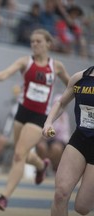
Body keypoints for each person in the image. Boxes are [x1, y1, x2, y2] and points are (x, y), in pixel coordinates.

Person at [0, 28, 70, 211]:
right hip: (22, 112)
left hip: (40, 116)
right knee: (21, 152)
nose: (35, 44)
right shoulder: (25, 61)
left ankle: (4, 197)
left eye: (39, 41)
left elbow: (71, 85)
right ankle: (41, 164)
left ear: (48, 43)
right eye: (32, 41)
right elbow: (6, 73)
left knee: (18, 154)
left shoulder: (57, 66)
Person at [42, 65, 94, 216]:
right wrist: (48, 122)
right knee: (60, 194)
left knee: (82, 207)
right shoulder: (80, 78)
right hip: (80, 139)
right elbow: (61, 103)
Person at [36, 94, 71, 172]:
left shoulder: (65, 116)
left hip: (58, 140)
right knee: (41, 146)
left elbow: (64, 134)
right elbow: (43, 130)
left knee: (56, 148)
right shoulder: (47, 114)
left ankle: (53, 167)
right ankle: (42, 167)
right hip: (47, 138)